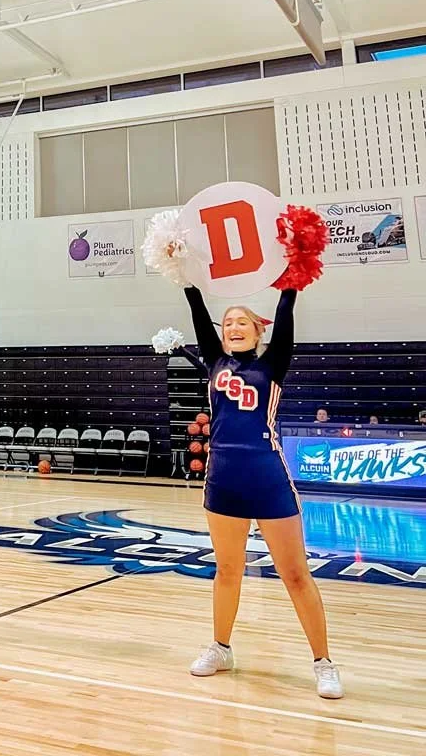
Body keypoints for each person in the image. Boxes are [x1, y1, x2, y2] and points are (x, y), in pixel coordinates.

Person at [182, 286, 342, 699]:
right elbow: (198, 312)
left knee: (294, 574)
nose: (234, 326)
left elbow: (286, 315)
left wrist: (291, 284)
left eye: (243, 322)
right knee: (227, 571)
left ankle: (323, 663)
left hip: (268, 478)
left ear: (258, 332)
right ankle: (221, 648)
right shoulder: (215, 361)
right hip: (222, 481)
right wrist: (188, 280)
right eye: (229, 322)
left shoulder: (273, 363)